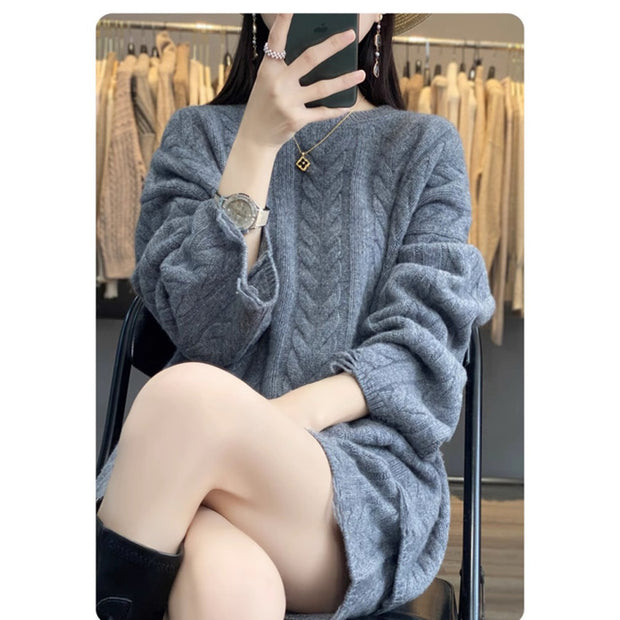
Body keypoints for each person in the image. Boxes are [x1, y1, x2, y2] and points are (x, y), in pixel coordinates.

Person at [96, 13, 495, 620]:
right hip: (182, 470)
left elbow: (423, 349)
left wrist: (262, 423)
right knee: (229, 585)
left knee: (183, 400)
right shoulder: (198, 136)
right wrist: (256, 145)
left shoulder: (424, 147)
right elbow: (203, 334)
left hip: (353, 486)